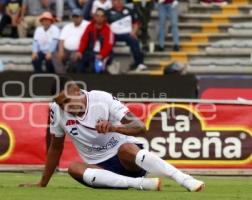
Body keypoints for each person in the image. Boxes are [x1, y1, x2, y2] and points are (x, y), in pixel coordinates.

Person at [19, 79, 205, 192]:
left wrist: (114, 128)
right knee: (73, 168)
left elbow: (140, 127)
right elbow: (55, 147)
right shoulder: (56, 110)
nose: (65, 106)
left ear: (77, 91)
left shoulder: (102, 98)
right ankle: (142, 184)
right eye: (60, 103)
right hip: (100, 168)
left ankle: (184, 179)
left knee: (126, 149)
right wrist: (42, 182)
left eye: (68, 100)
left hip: (126, 158)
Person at [107, 0, 147, 71]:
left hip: (127, 34)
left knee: (134, 41)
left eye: (120, 0)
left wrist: (134, 32)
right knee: (107, 42)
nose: (119, 2)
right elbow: (105, 25)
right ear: (112, 2)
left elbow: (135, 23)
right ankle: (109, 62)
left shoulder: (129, 11)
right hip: (113, 34)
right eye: (116, 1)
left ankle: (139, 63)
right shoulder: (108, 12)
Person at [75, 8, 113, 73]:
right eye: (97, 16)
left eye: (102, 16)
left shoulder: (108, 29)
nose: (99, 18)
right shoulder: (89, 26)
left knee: (95, 68)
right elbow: (84, 40)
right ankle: (80, 81)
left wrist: (102, 55)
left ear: (105, 18)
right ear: (94, 17)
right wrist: (80, 51)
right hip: (90, 52)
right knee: (78, 63)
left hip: (104, 54)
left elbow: (108, 45)